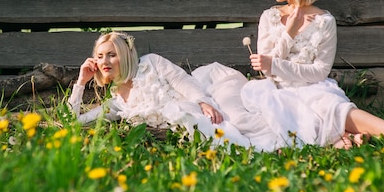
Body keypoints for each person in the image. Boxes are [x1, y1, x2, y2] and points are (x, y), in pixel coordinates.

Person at [248, 0, 384, 148]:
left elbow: (319, 72)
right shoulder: (270, 17)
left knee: (333, 108)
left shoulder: (324, 21)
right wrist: (289, 33)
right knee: (289, 116)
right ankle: (346, 138)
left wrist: (275, 65)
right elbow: (266, 68)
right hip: (278, 90)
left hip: (313, 88)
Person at [67, 31, 254, 148]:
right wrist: (81, 82)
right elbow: (73, 122)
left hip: (204, 96)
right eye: (99, 56)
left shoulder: (151, 63)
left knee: (239, 121)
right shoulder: (117, 103)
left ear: (124, 55)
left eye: (111, 55)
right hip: (187, 127)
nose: (104, 61)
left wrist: (203, 102)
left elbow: (181, 80)